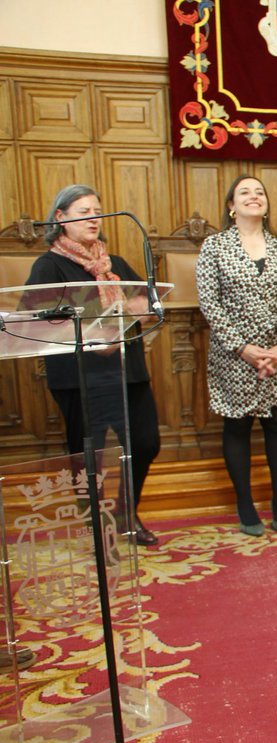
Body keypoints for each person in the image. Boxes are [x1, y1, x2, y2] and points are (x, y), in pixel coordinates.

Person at [27, 184, 161, 547]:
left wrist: (142, 309)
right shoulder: (49, 265)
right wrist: (92, 332)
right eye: (84, 211)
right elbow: (36, 319)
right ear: (61, 218)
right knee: (89, 457)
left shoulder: (113, 264)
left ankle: (124, 512)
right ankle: (96, 527)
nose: (94, 219)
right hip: (80, 377)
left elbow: (147, 303)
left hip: (126, 371)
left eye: (97, 211)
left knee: (146, 442)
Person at [196, 175, 277, 537]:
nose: (253, 196)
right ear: (231, 206)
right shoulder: (214, 247)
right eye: (245, 192)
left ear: (266, 204)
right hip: (234, 355)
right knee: (237, 425)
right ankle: (244, 504)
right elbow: (210, 304)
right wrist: (243, 348)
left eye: (259, 192)